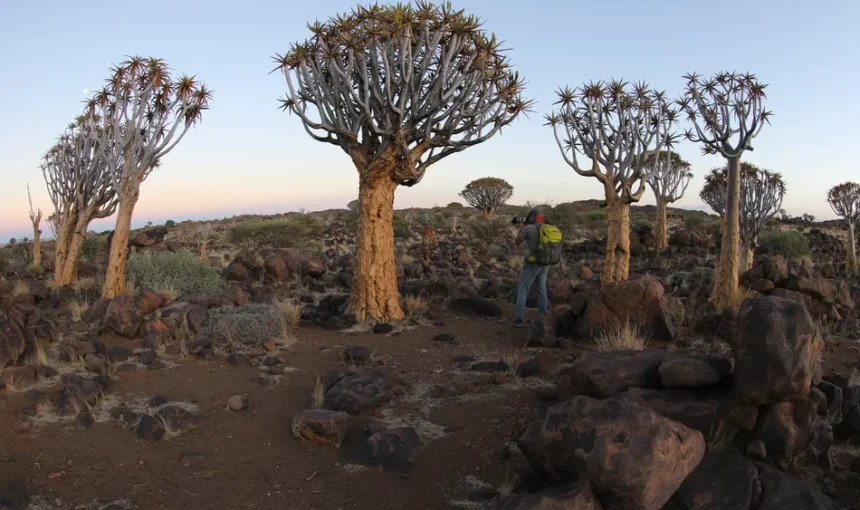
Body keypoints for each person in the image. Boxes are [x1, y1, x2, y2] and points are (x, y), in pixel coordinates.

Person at [512, 208, 550, 327]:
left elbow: (517, 241)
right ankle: (543, 317)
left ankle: (519, 319)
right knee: (542, 289)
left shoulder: (528, 228)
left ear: (532, 218)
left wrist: (522, 228)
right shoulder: (547, 229)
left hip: (532, 264)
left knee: (523, 290)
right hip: (546, 264)